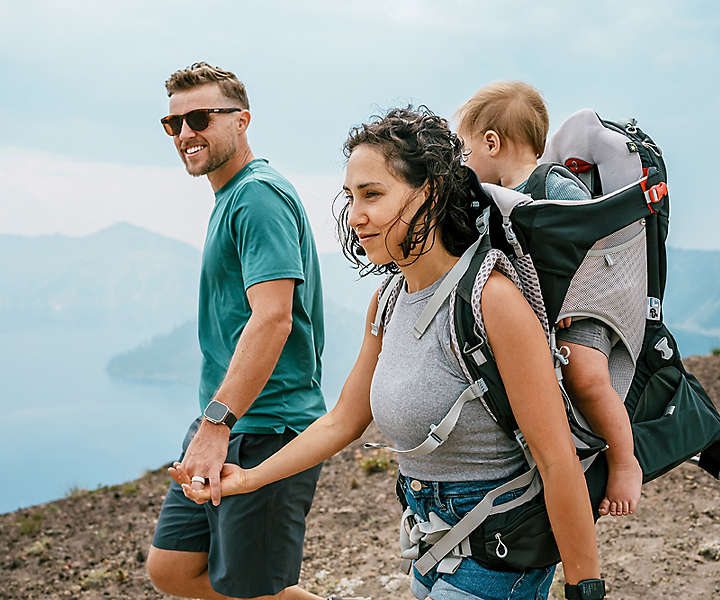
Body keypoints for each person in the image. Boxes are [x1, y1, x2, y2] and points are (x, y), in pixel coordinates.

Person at [171, 107, 604, 600]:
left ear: (431, 193)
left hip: (499, 550)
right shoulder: (389, 298)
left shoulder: (491, 298)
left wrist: (584, 585)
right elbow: (342, 421)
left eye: (373, 195)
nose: (355, 216)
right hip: (430, 545)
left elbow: (556, 459)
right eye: (351, 196)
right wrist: (249, 479)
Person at [146, 62, 328, 600]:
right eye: (173, 123)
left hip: (265, 427)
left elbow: (273, 317)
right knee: (172, 568)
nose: (185, 134)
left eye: (199, 118)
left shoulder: (257, 197)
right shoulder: (231, 195)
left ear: (241, 120)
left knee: (252, 591)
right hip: (224, 418)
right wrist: (213, 420)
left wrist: (218, 423)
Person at [455, 81, 643, 518]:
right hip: (536, 317)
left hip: (584, 308)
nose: (462, 162)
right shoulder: (488, 204)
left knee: (583, 375)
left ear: (491, 142)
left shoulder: (553, 185)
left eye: (464, 150)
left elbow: (592, 240)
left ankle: (624, 459)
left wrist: (574, 304)